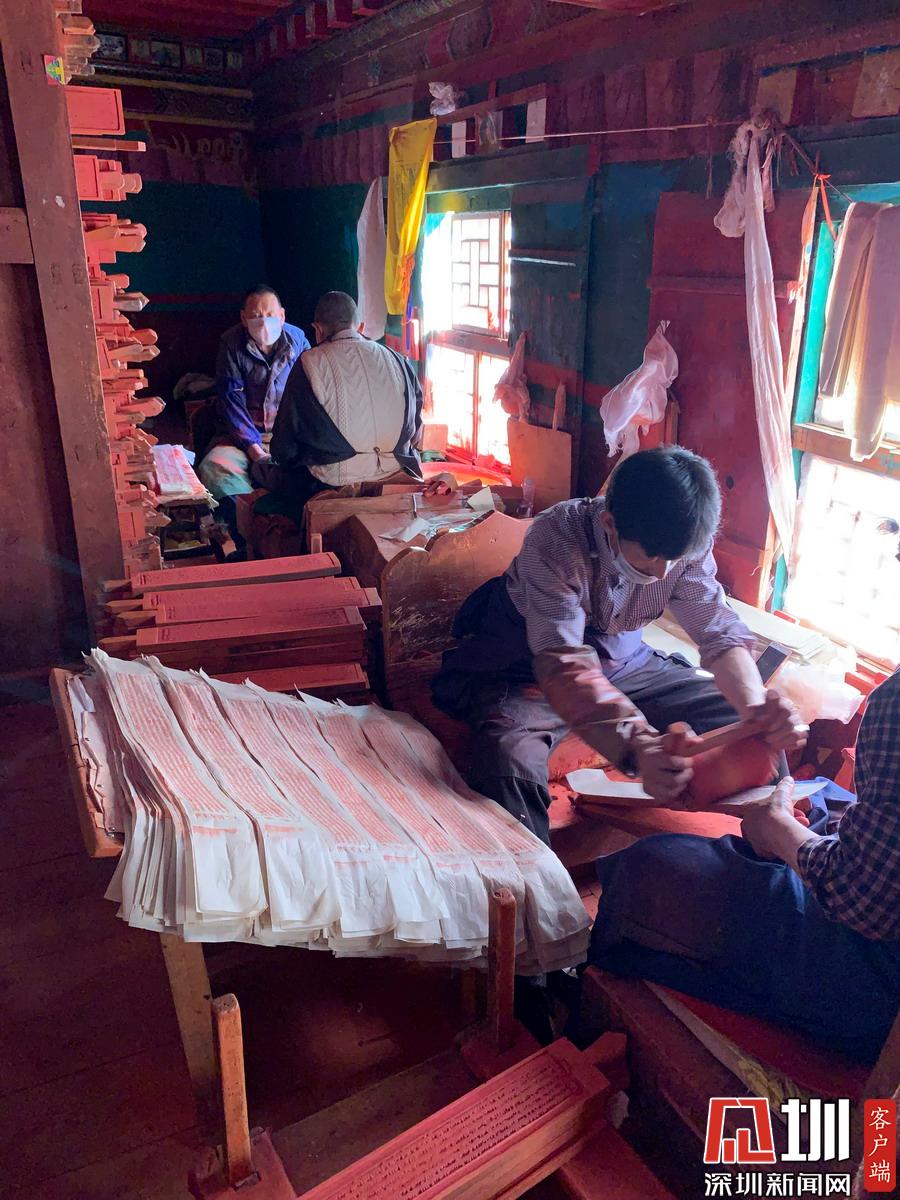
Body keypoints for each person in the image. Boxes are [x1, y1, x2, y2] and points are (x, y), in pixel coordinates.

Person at [432, 447, 803, 846]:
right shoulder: (555, 539)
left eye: (675, 560)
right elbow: (565, 666)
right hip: (530, 666)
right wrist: (639, 748)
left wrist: (755, 710)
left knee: (747, 725)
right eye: (651, 559)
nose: (663, 572)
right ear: (609, 523)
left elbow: (718, 630)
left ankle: (781, 852)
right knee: (510, 758)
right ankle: (536, 877)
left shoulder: (684, 544)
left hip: (624, 659)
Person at [588, 657, 900, 1059]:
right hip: (875, 892)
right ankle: (774, 835)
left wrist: (778, 830)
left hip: (876, 974)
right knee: (821, 794)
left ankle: (583, 1011)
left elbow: (866, 902)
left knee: (645, 867)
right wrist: (757, 715)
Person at [252, 291, 423, 510]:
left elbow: (284, 447)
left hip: (332, 483)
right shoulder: (397, 359)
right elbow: (416, 429)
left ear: (318, 330)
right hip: (397, 477)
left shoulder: (309, 362)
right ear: (359, 326)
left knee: (262, 469)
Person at [197, 286, 310, 536]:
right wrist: (254, 449)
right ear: (243, 318)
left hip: (288, 437)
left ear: (282, 316)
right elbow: (231, 401)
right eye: (256, 316)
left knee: (311, 472)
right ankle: (246, 529)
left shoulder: (299, 342)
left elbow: (308, 396)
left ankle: (285, 530)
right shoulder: (231, 344)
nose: (264, 322)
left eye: (270, 315)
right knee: (215, 468)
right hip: (239, 438)